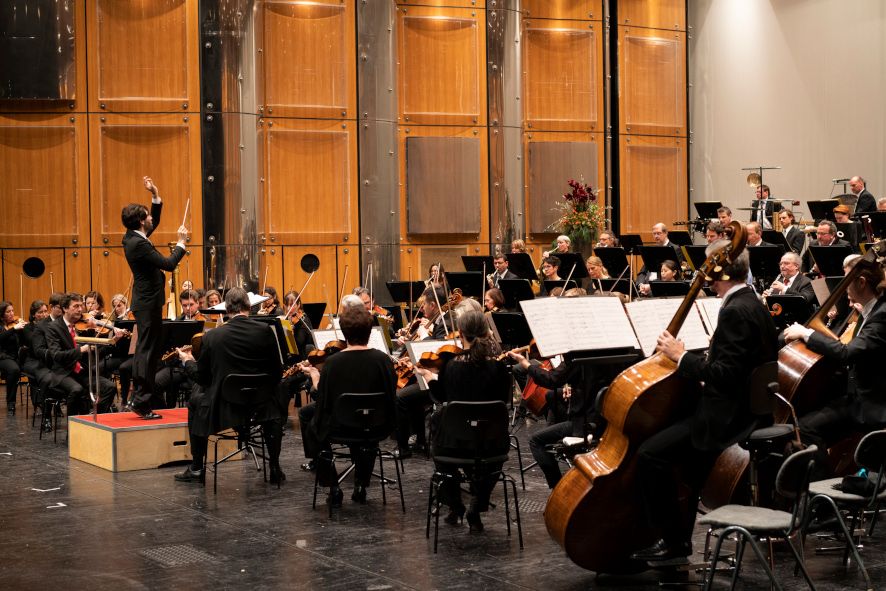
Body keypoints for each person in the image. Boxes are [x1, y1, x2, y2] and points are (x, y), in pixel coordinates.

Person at [631, 247, 778, 562]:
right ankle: (678, 536)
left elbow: (725, 375)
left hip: (727, 420)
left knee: (650, 454)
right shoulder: (752, 301)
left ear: (717, 274)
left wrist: (681, 355)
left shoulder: (735, 310)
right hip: (748, 410)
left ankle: (673, 542)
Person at [785, 256, 886, 477]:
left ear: (861, 282)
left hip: (871, 405)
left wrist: (807, 333)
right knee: (804, 419)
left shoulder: (882, 315)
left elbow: (847, 353)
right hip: (858, 395)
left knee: (805, 429)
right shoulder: (873, 310)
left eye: (846, 281)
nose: (842, 287)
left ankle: (824, 493)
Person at [175, 287, 285, 484]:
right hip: (260, 406)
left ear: (226, 308)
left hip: (224, 408)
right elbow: (277, 372)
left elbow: (202, 378)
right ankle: (275, 466)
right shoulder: (265, 332)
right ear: (249, 307)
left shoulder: (212, 336)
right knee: (274, 404)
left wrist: (188, 361)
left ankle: (197, 467)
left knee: (195, 401)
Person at [415, 311, 510, 531]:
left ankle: (455, 504)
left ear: (460, 335)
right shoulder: (498, 367)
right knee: (495, 464)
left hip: (455, 444)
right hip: (491, 443)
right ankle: (476, 506)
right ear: (487, 332)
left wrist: (430, 379)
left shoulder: (451, 366)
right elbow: (503, 401)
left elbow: (442, 397)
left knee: (439, 453)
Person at [299, 305, 397, 506]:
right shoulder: (384, 360)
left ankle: (333, 487)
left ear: (344, 332)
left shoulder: (333, 363)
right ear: (370, 331)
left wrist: (316, 376)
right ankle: (361, 485)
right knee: (367, 423)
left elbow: (322, 399)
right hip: (377, 427)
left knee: (313, 425)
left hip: (340, 427)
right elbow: (390, 394)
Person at [122, 176, 188, 419]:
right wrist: (181, 244)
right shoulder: (139, 245)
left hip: (145, 302)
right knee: (148, 352)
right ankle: (141, 401)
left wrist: (155, 194)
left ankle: (137, 398)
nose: (152, 217)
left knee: (145, 350)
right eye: (148, 214)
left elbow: (154, 221)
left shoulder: (133, 236)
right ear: (141, 221)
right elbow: (169, 264)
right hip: (148, 303)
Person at [43, 293, 119, 416]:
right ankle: (73, 428)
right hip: (64, 372)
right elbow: (57, 355)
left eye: (81, 306)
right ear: (65, 308)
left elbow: (96, 351)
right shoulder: (53, 328)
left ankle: (94, 419)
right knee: (77, 390)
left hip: (82, 371)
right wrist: (81, 350)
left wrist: (112, 339)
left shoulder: (85, 324)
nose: (80, 309)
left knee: (110, 387)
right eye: (76, 306)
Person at [0, 301, 27, 413]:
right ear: (2, 314)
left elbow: (24, 341)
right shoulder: (2, 327)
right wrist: (14, 329)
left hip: (15, 357)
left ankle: (38, 402)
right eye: (8, 311)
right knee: (14, 369)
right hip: (2, 356)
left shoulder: (16, 324)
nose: (12, 313)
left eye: (12, 310)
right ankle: (11, 402)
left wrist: (23, 329)